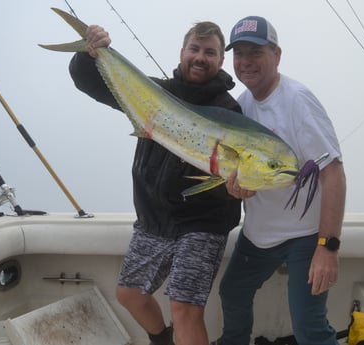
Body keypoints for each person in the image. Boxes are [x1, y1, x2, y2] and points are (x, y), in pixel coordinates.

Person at [68, 21, 242, 345]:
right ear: (182, 52)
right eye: (195, 49)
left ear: (220, 61)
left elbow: (237, 171)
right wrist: (89, 53)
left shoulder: (229, 112)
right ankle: (162, 340)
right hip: (153, 218)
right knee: (129, 294)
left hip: (202, 223)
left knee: (184, 307)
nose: (200, 57)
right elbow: (89, 82)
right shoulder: (152, 94)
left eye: (210, 52)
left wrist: (237, 187)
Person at [214, 16, 347, 345]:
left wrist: (327, 248)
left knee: (309, 328)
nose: (246, 62)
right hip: (258, 236)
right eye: (239, 53)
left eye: (255, 52)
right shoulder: (242, 106)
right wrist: (236, 188)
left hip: (304, 237)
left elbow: (333, 173)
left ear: (277, 55)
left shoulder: (298, 101)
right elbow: (244, 175)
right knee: (232, 294)